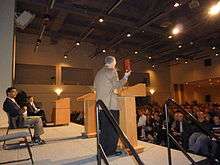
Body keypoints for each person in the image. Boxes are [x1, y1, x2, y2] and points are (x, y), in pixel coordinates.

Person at [94, 56, 131, 156]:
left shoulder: (98, 73)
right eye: (115, 62)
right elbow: (117, 85)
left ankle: (102, 151)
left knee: (104, 129)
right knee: (113, 129)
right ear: (113, 62)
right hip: (111, 106)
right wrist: (126, 77)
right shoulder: (112, 70)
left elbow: (95, 87)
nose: (115, 64)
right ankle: (110, 151)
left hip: (101, 106)